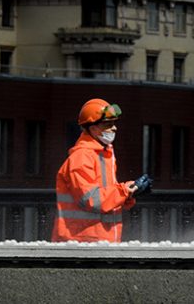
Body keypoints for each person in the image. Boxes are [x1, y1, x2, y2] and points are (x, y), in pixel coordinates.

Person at [52, 98, 137, 242]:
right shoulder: (82, 157)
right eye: (108, 124)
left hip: (96, 241)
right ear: (93, 128)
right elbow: (91, 200)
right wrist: (122, 192)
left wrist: (125, 196)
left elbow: (104, 195)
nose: (114, 128)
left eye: (114, 123)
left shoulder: (104, 155)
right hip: (80, 243)